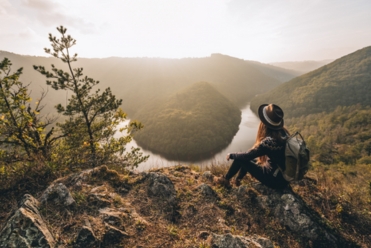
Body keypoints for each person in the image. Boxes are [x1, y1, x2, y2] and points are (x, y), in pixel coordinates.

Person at [215, 103, 290, 189]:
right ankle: (237, 180)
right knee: (246, 158)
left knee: (240, 159)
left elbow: (248, 156)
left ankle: (225, 179)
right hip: (282, 178)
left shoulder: (269, 142)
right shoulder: (284, 134)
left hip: (274, 180)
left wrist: (231, 155)